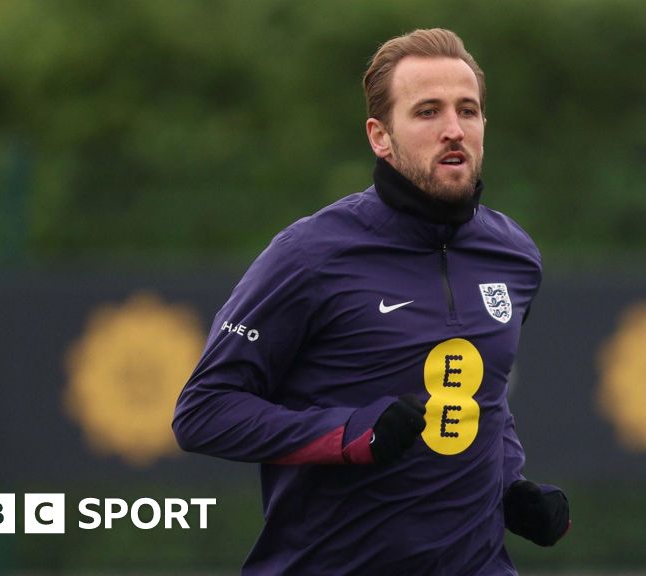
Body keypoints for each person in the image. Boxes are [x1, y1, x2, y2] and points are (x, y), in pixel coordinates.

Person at [173, 28, 570, 575]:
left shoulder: (514, 255)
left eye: (468, 110)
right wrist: (347, 434)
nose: (453, 130)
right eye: (427, 112)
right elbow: (203, 412)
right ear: (380, 136)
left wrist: (513, 484)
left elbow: (479, 397)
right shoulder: (309, 255)